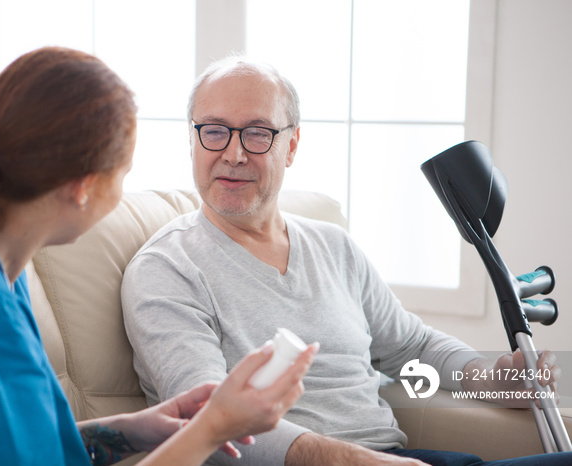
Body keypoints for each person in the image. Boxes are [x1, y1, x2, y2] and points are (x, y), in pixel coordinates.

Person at [0, 47, 318, 466]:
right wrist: (213, 427)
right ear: (84, 186)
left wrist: (133, 430)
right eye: (123, 174)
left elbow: (14, 443)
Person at [121, 56, 572, 466]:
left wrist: (493, 379)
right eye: (214, 130)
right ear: (193, 140)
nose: (233, 153)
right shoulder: (167, 269)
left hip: (396, 456)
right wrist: (354, 461)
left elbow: (414, 348)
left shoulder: (334, 246)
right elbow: (210, 422)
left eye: (258, 133)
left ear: (292, 146)